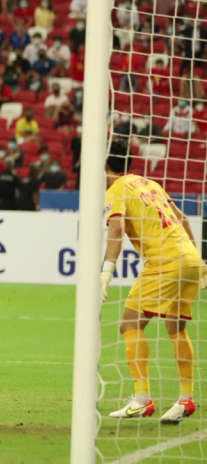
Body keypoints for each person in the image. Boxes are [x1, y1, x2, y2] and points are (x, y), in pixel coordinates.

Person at [102, 139, 205, 424]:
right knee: (176, 328)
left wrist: (106, 270)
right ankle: (185, 398)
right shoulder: (150, 183)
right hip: (190, 257)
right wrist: (198, 261)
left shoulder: (117, 188)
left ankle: (142, 400)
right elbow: (183, 220)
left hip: (164, 261)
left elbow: (116, 230)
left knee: (129, 325)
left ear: (105, 164)